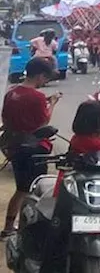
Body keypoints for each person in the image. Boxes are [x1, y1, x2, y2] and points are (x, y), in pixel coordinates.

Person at [1, 58, 61, 235]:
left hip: (15, 146)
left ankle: (9, 228)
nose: (45, 82)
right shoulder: (37, 97)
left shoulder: (11, 93)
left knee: (21, 189)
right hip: (35, 149)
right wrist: (54, 103)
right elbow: (44, 121)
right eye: (45, 78)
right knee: (36, 190)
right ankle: (30, 230)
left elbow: (5, 120)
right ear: (40, 75)